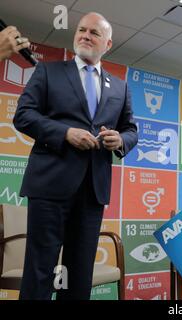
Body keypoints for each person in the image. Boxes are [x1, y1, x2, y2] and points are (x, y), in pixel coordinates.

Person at [13, 12, 138, 300]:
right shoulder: (48, 72)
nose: (85, 35)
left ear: (107, 43)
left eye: (94, 32)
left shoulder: (120, 87)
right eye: (81, 30)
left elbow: (130, 129)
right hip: (49, 186)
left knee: (79, 273)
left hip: (92, 190)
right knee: (40, 269)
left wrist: (120, 139)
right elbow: (24, 116)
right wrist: (64, 133)